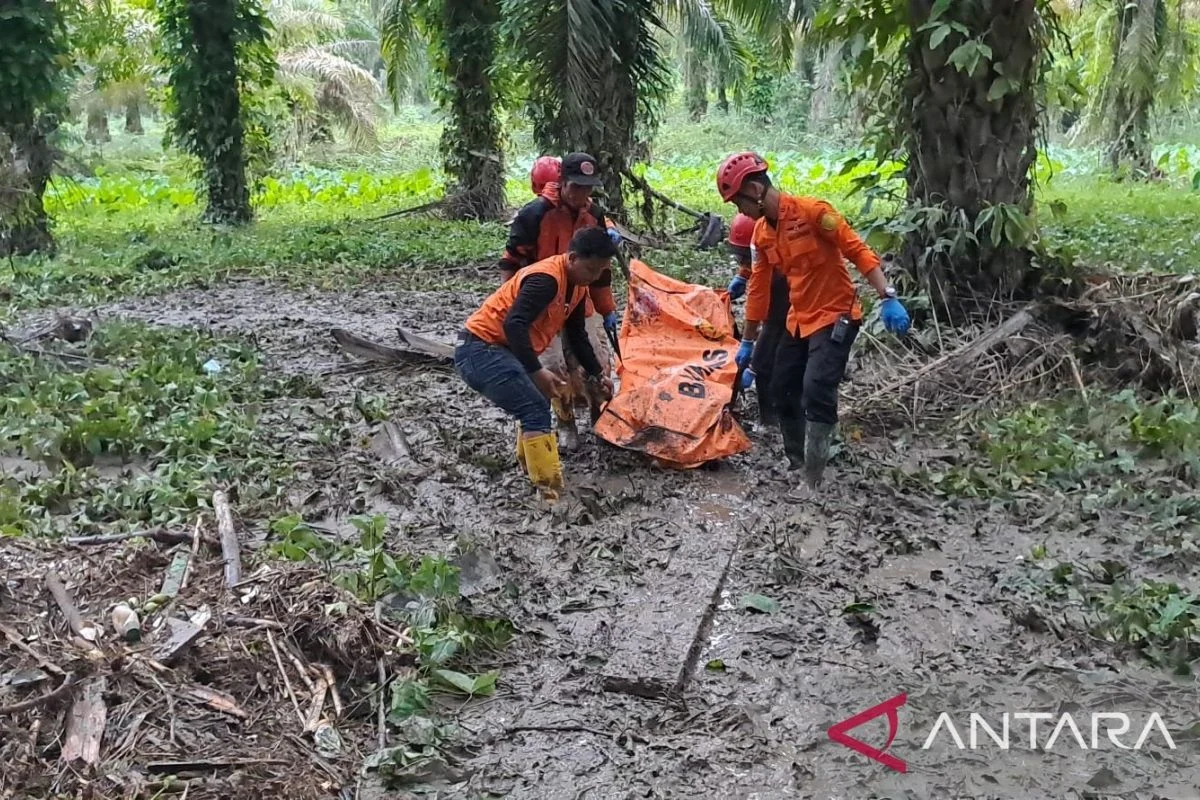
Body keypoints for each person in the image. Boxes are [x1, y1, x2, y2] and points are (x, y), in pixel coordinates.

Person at [715, 151, 911, 490]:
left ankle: (814, 478)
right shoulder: (761, 235)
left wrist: (887, 296)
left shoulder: (814, 212)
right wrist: (748, 341)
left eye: (739, 202)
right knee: (781, 386)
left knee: (816, 388)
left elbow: (856, 250)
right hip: (799, 317)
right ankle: (798, 461)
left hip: (837, 314)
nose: (740, 211)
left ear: (757, 189)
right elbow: (759, 289)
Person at [456, 227, 618, 501]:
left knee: (532, 405)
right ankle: (549, 491)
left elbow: (577, 335)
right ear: (572, 258)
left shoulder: (577, 286)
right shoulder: (546, 279)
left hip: (500, 349)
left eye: (600, 271)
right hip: (480, 348)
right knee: (535, 408)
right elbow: (514, 324)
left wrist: (595, 373)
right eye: (590, 269)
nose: (594, 277)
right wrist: (537, 370)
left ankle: (528, 468)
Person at [725, 212, 789, 426]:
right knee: (764, 365)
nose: (744, 262)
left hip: (800, 320)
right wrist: (742, 275)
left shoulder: (783, 277)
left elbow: (772, 326)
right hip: (779, 321)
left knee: (778, 367)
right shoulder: (760, 257)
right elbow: (753, 260)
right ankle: (769, 415)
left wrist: (753, 365)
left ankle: (781, 419)